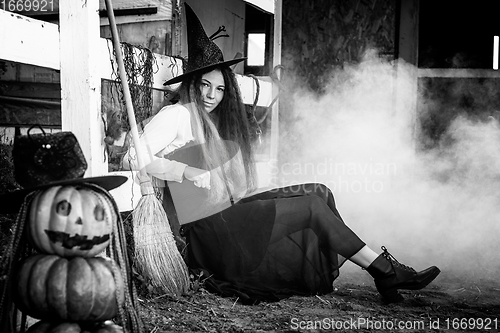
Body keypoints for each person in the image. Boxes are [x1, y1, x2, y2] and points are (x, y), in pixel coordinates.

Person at [123, 3, 440, 304]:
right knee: (312, 208)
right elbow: (133, 158)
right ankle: (384, 271)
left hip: (226, 213)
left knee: (318, 191)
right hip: (208, 233)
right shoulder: (177, 115)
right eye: (205, 85)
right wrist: (185, 172)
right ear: (192, 83)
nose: (211, 95)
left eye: (219, 89)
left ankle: (380, 269)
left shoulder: (208, 122)